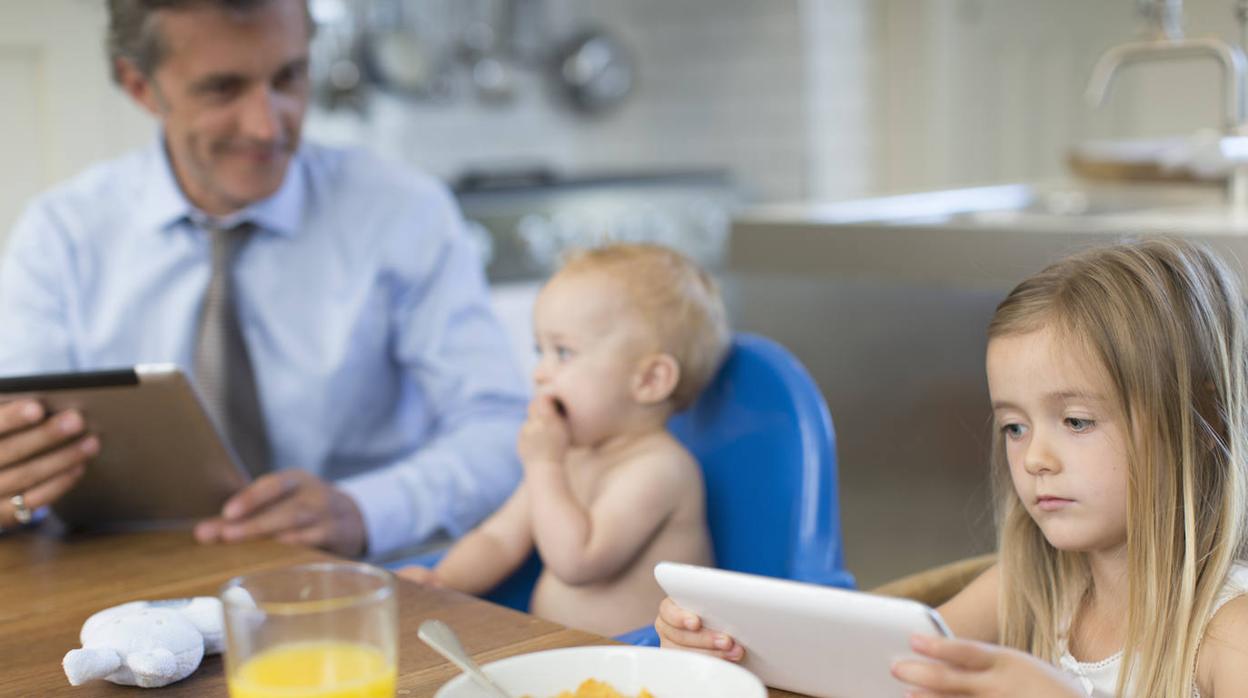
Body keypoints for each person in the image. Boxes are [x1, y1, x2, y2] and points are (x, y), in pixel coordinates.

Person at [0, 0, 528, 559]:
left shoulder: (403, 211)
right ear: (140, 87)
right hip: (132, 591)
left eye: (289, 77)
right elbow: (17, 446)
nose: (268, 124)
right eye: (223, 89)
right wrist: (14, 492)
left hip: (366, 579)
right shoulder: (62, 234)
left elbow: (501, 429)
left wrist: (366, 509)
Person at [657, 238, 1248, 696]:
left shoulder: (1229, 634)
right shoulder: (1035, 584)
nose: (1035, 459)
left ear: (1201, 424)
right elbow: (881, 670)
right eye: (1015, 427)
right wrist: (729, 649)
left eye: (1076, 422)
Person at [398, 243, 727, 636]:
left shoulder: (660, 469)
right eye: (541, 351)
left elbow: (578, 562)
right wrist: (445, 580)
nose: (540, 373)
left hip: (637, 666)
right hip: (560, 658)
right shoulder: (568, 457)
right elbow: (500, 538)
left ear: (649, 380)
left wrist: (543, 466)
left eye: (564, 352)